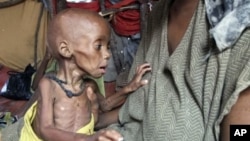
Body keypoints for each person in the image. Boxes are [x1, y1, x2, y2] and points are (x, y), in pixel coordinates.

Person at [107, 0, 250, 141]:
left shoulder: (238, 22)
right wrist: (96, 120)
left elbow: (241, 132)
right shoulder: (158, 14)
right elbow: (139, 105)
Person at [20, 8, 122, 141]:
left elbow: (102, 113)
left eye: (107, 47)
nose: (107, 54)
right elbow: (46, 129)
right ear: (65, 50)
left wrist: (133, 95)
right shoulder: (49, 85)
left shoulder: (89, 89)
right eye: (98, 46)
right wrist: (88, 139)